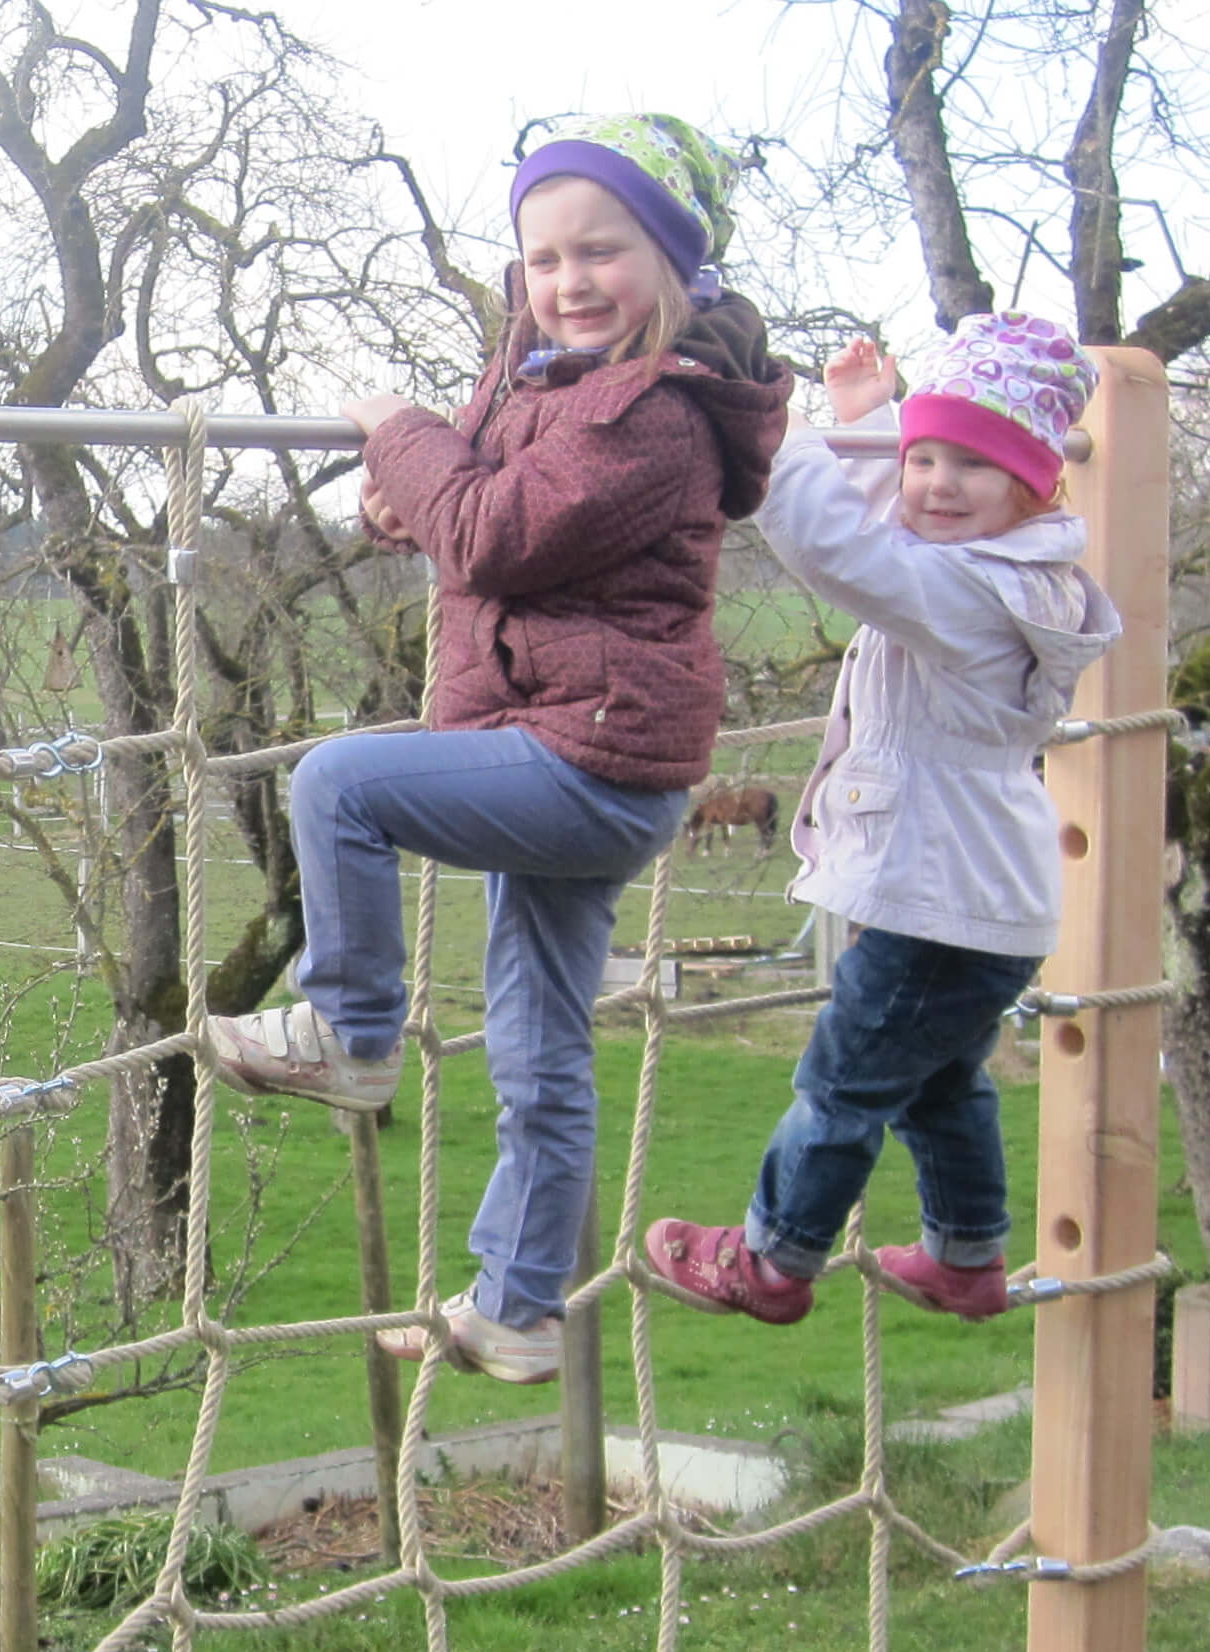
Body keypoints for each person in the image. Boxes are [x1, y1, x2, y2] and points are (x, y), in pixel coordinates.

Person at [202, 113, 793, 1383]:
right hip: (573, 745)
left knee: (337, 783)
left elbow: (491, 534)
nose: (570, 283)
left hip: (589, 760)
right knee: (537, 1052)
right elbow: (482, 508)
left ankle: (350, 1034)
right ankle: (520, 1309)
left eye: (602, 252)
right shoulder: (551, 382)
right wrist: (398, 496)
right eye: (543, 259)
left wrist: (394, 433)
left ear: (673, 265)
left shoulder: (655, 414)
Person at [643, 312, 1120, 1328]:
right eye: (922, 460)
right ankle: (965, 1257)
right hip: (981, 898)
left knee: (840, 1083)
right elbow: (898, 538)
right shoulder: (1006, 571)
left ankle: (772, 1261)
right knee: (942, 1086)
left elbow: (852, 558)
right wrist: (874, 422)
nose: (938, 483)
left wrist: (775, 431)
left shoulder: (975, 595)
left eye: (972, 468)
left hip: (933, 901)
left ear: (1032, 485)